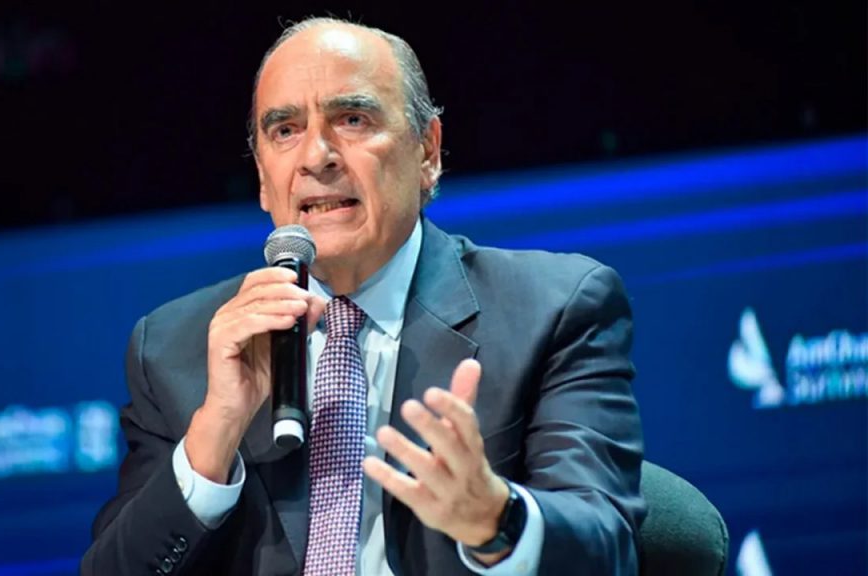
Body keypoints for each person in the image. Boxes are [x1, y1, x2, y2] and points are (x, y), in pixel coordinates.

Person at [83, 16, 645, 576]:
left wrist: (495, 520)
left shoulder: (552, 310)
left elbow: (608, 546)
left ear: (427, 152)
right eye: (285, 131)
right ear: (262, 179)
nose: (316, 156)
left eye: (352, 120)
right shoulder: (173, 349)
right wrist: (213, 434)